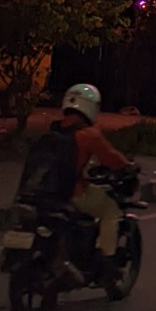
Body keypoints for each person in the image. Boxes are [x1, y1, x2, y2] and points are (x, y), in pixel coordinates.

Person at [56, 83, 133, 277]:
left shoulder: (54, 131)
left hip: (45, 193)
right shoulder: (88, 134)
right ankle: (105, 260)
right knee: (110, 211)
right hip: (72, 193)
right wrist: (128, 166)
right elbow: (111, 158)